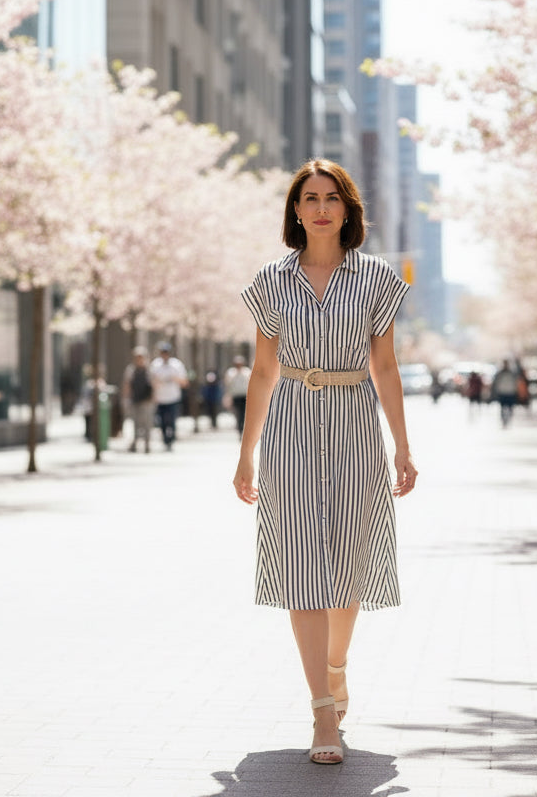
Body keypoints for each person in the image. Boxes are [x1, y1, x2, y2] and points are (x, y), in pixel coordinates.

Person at [232, 158, 416, 766]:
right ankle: (322, 712)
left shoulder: (378, 280)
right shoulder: (270, 281)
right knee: (303, 567)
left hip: (356, 426)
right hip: (289, 426)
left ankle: (336, 667)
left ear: (348, 208)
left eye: (330, 197)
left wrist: (403, 447)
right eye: (308, 197)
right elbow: (262, 372)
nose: (319, 207)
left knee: (346, 564)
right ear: (295, 210)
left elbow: (385, 367)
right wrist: (246, 456)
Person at [149, 342, 188, 451]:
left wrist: (174, 378)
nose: (164, 354)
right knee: (161, 421)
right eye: (162, 352)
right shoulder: (155, 365)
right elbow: (151, 381)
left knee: (171, 420)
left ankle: (171, 439)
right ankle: (165, 439)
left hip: (173, 397)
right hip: (160, 398)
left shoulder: (177, 365)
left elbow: (184, 382)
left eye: (166, 352)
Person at [121, 346, 154, 452]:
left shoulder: (149, 370)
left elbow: (154, 384)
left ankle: (147, 445)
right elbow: (127, 384)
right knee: (135, 423)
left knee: (147, 423)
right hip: (135, 399)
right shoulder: (131, 369)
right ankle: (135, 444)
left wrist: (153, 398)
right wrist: (126, 398)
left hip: (147, 400)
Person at [223, 354, 252, 434]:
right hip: (236, 395)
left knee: (244, 413)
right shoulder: (230, 372)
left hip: (245, 395)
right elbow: (227, 384)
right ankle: (239, 428)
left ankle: (242, 428)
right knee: (237, 412)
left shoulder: (247, 371)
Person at [491, 359, 519, 428]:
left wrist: (515, 390)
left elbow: (516, 382)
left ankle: (508, 420)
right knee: (502, 407)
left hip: (510, 392)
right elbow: (496, 383)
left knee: (510, 407)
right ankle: (504, 421)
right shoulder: (500, 373)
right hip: (502, 392)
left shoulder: (512, 373)